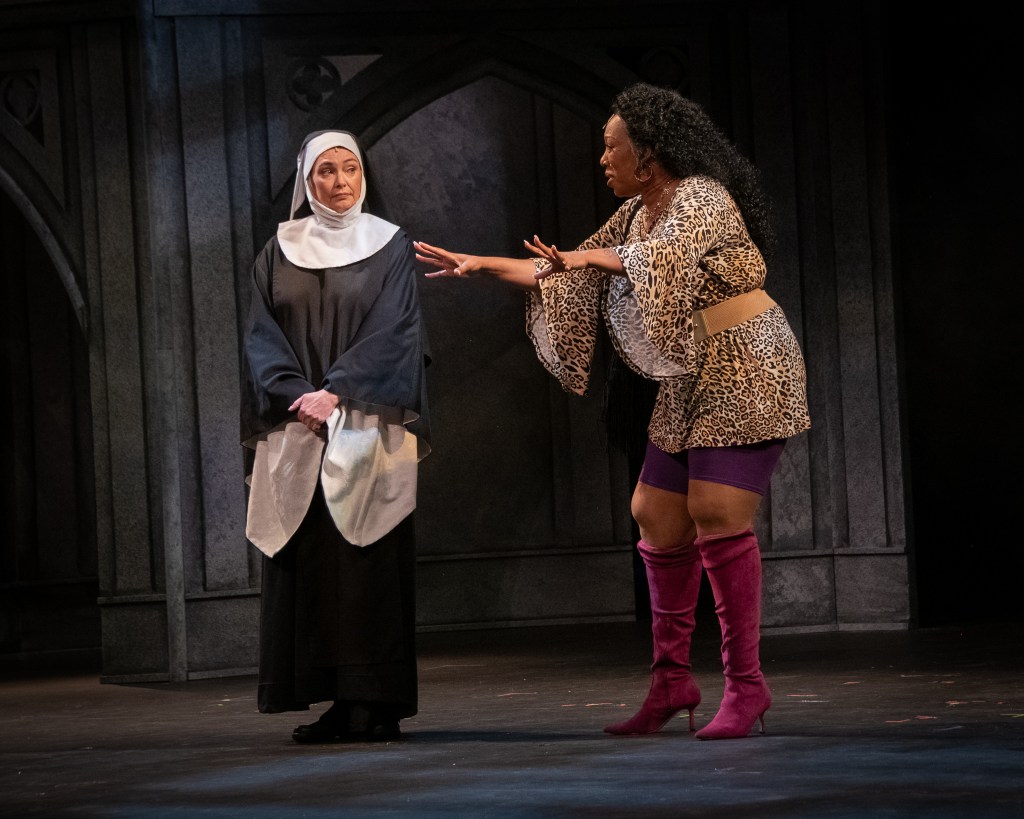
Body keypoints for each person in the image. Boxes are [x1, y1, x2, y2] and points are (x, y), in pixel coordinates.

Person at [414, 82, 810, 740]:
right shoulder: (633, 216)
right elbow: (564, 269)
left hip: (747, 362)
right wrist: (480, 265)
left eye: (611, 147)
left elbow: (660, 258)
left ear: (648, 155)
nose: (602, 159)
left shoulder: (702, 196)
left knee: (715, 511)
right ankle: (671, 681)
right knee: (654, 512)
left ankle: (747, 686)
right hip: (689, 369)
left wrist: (583, 259)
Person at [240, 130, 431, 744]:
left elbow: (397, 330)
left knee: (366, 562)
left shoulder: (390, 244)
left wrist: (337, 390)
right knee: (312, 560)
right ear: (307, 181)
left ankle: (375, 702)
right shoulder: (278, 250)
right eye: (326, 170)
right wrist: (297, 393)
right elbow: (260, 334)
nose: (340, 181)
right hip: (300, 424)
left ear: (363, 175)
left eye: (350, 168)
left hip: (366, 422)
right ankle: (333, 700)